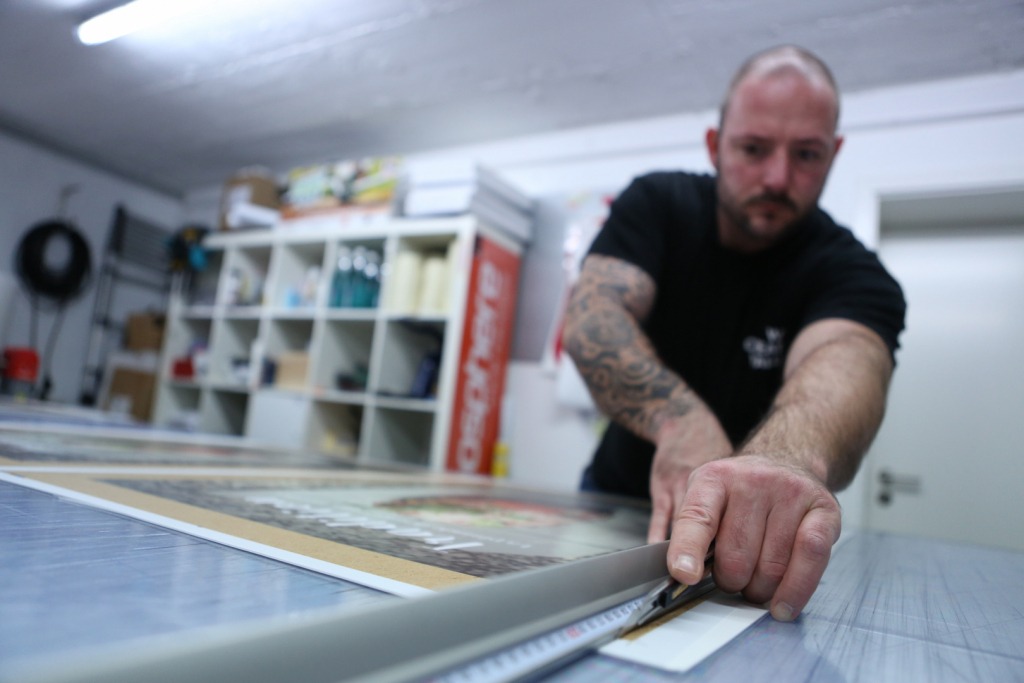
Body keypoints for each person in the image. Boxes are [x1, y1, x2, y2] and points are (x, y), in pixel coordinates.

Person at [562, 45, 906, 623]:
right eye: (753, 148)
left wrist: (785, 461)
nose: (777, 177)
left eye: (807, 154)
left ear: (834, 154)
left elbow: (846, 361)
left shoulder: (855, 273)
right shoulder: (657, 203)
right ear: (714, 144)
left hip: (745, 541)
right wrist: (680, 421)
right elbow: (594, 319)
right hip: (613, 501)